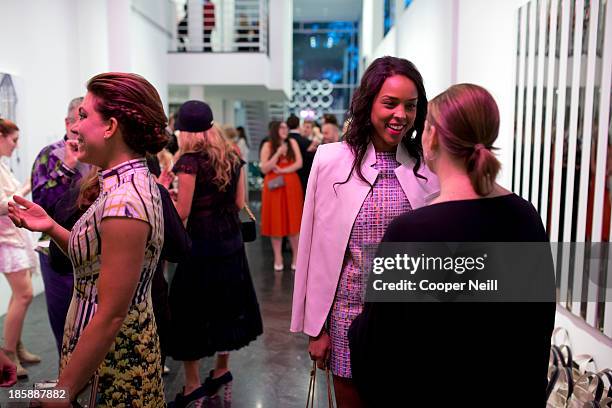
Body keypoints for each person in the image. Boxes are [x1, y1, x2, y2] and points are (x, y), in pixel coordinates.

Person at [348, 84, 556, 407]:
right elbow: (538, 328)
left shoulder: (410, 233)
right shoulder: (526, 217)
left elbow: (375, 349)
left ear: (431, 138)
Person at [8, 72, 168, 406]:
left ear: (110, 127)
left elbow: (111, 313)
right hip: (100, 354)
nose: (75, 126)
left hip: (114, 363)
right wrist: (51, 226)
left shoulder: (125, 202)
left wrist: (64, 389)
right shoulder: (119, 185)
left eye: (83, 115)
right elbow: (98, 258)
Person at [290, 56, 439, 407]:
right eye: (390, 103)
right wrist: (316, 329)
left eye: (411, 106)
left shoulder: (429, 167)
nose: (400, 114)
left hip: (410, 322)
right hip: (347, 316)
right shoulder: (329, 161)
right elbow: (313, 249)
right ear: (368, 102)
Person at [167, 100, 263, 408]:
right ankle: (222, 370)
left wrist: (167, 197)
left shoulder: (189, 162)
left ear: (184, 130)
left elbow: (183, 211)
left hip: (200, 246)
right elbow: (238, 204)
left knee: (189, 310)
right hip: (231, 242)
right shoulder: (231, 155)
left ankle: (192, 384)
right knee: (227, 305)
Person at [31, 96, 90, 357]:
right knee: (65, 325)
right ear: (68, 123)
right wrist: (67, 167)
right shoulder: (49, 155)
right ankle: (67, 390)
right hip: (56, 251)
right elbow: (39, 204)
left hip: (93, 251)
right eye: (81, 120)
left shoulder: (98, 154)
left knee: (91, 327)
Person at [0, 118, 38, 379]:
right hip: (5, 240)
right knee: (24, 295)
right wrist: (26, 187)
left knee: (19, 295)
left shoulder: (2, 166)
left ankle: (15, 344)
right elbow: (2, 204)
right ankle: (9, 353)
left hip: (12, 237)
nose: (16, 145)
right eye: (13, 140)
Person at [260, 121, 304, 270]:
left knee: (293, 221)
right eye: (282, 127)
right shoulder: (268, 145)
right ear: (275, 129)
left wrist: (284, 171)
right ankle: (277, 257)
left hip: (291, 184)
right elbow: (264, 168)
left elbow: (299, 163)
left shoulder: (292, 142)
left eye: (286, 127)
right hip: (273, 186)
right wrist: (278, 153)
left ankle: (296, 257)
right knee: (276, 221)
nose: (285, 130)